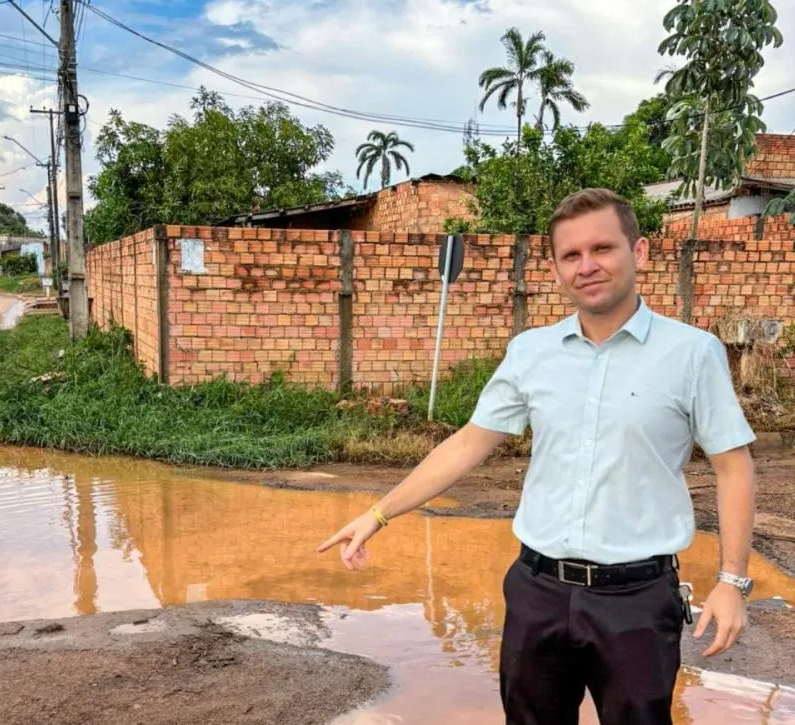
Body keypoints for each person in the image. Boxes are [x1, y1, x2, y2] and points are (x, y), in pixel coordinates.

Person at [317, 188, 757, 725]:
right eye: (571, 255)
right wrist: (378, 513)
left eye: (602, 248)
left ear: (639, 252)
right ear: (554, 269)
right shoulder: (531, 352)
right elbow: (468, 443)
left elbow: (733, 465)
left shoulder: (692, 353)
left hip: (637, 600)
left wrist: (732, 581)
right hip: (537, 591)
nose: (587, 266)